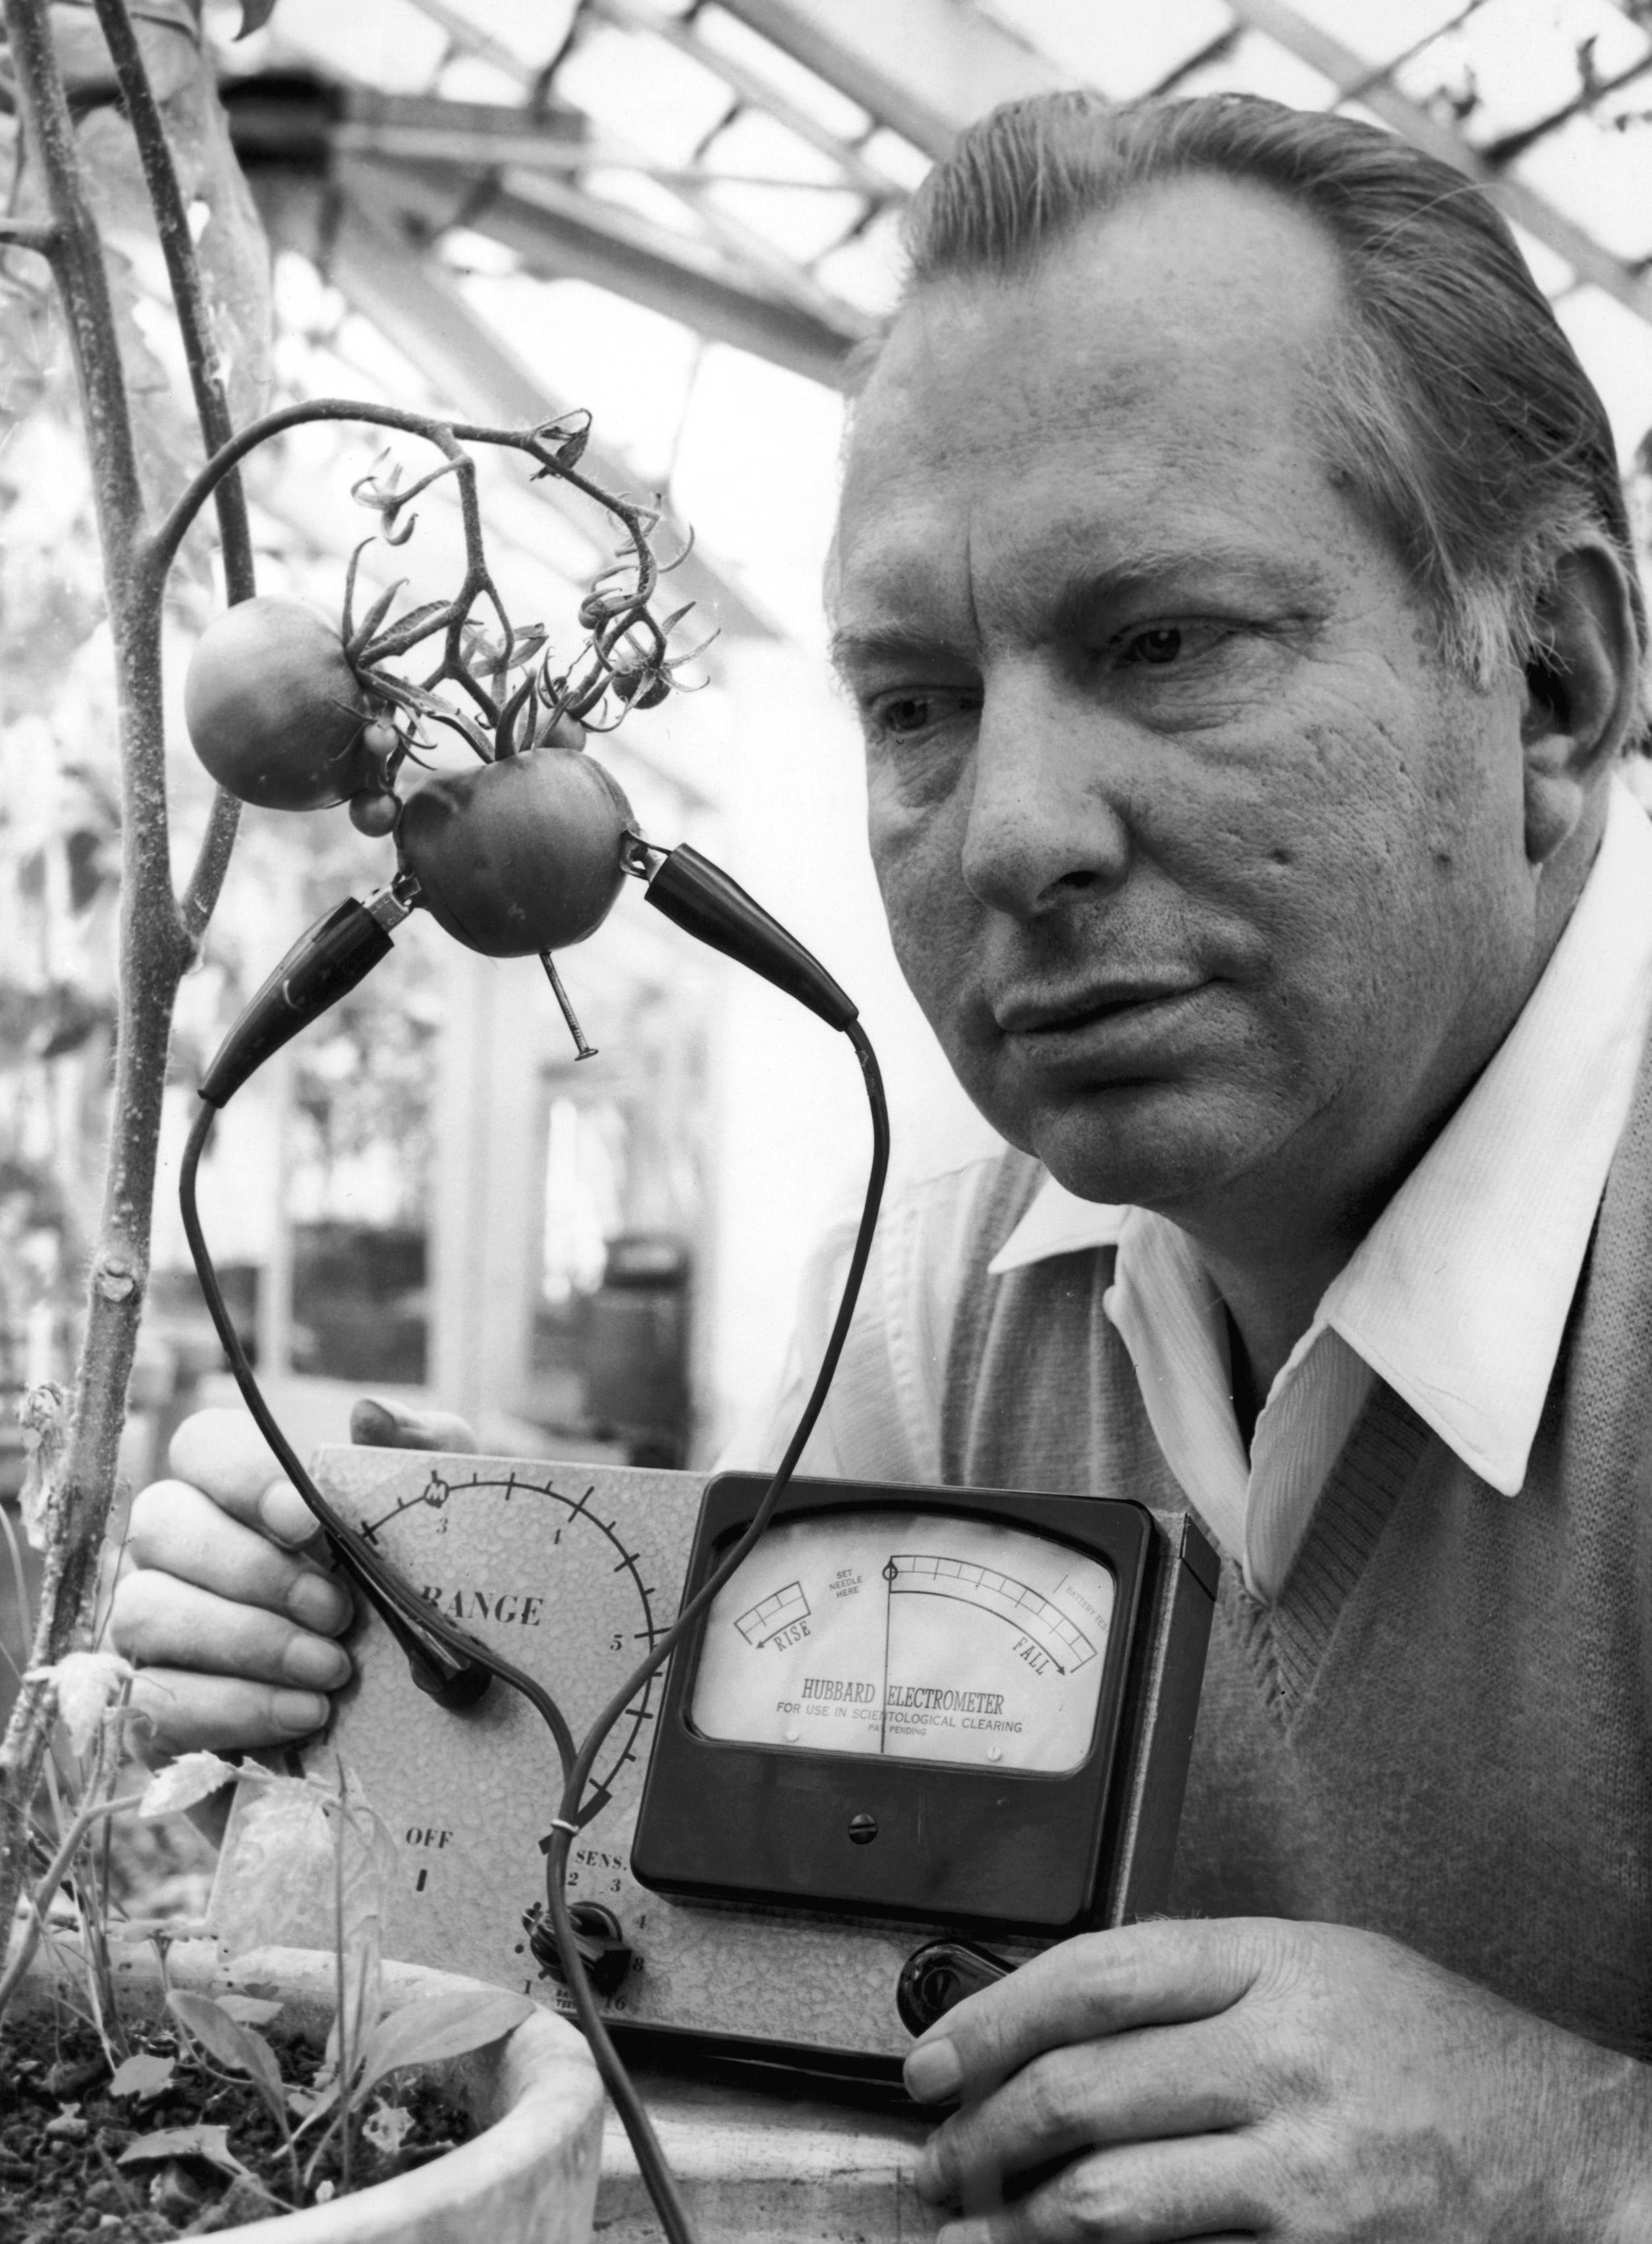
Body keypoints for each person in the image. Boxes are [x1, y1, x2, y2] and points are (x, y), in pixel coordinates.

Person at [111, 88, 1652, 2240]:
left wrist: (1586, 2156)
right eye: (916, 705)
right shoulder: (940, 1309)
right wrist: (395, 1663)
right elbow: (730, 2012)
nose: (1015, 835)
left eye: (1164, 644)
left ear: (1552, 684)